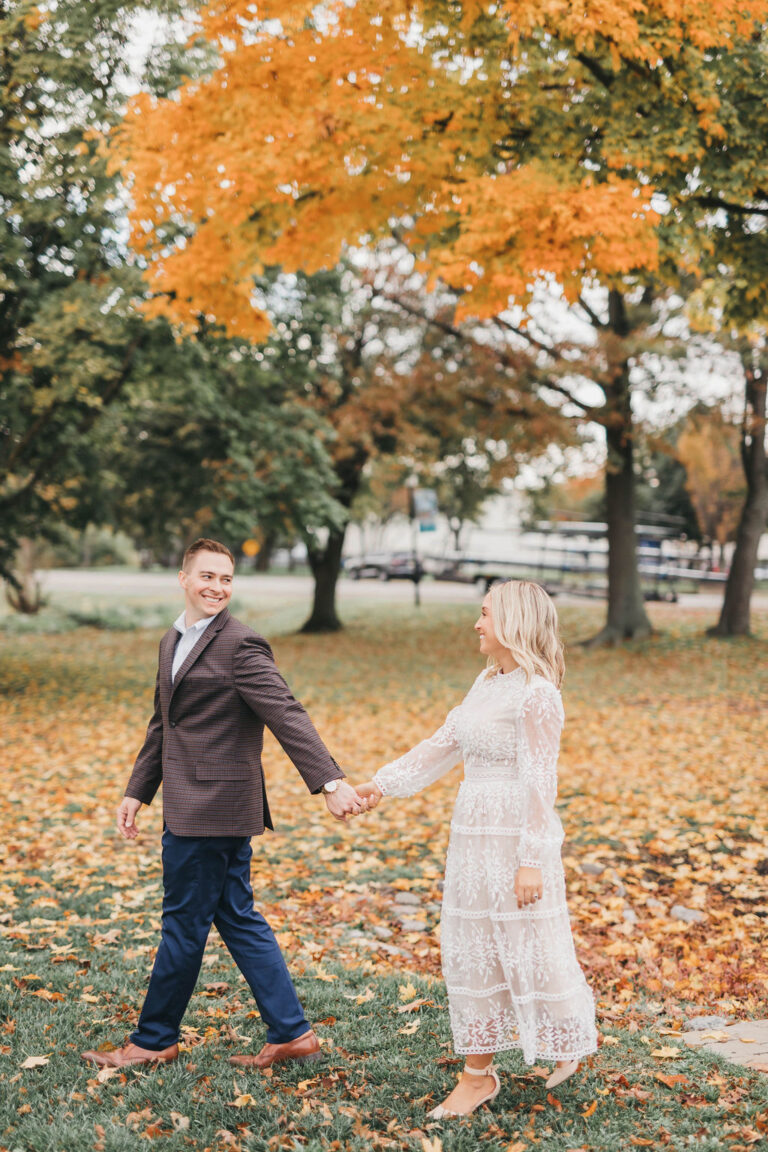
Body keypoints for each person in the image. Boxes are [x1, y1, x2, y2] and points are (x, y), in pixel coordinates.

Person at [82, 538, 367, 1071]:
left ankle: (152, 1040)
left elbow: (286, 712)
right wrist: (136, 790)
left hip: (213, 806)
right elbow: (162, 723)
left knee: (184, 924)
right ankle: (292, 1032)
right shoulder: (174, 640)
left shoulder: (241, 645)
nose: (217, 587)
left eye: (226, 579)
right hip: (191, 801)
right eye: (207, 576)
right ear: (184, 578)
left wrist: (330, 782)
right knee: (235, 916)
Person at [355, 580, 597, 1118]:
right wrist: (378, 786)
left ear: (510, 622)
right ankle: (492, 1068)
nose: (476, 624)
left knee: (530, 940)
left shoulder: (538, 693)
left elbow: (541, 783)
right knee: (475, 946)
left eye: (484, 614)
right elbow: (443, 745)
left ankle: (517, 1056)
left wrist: (531, 860)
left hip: (515, 835)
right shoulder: (487, 682)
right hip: (473, 831)